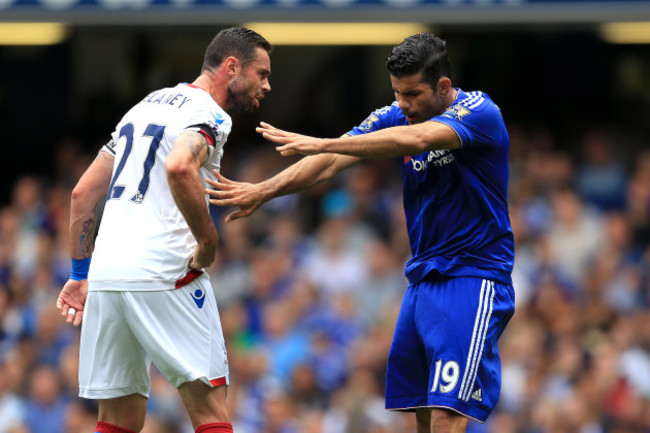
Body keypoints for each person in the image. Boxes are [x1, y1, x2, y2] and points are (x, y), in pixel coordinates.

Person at [206, 33, 515, 433]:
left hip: (472, 277)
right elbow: (333, 160)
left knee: (446, 413)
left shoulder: (479, 112)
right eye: (397, 93)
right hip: (421, 280)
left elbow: (418, 139)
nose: (403, 104)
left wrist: (325, 142)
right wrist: (264, 191)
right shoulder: (400, 115)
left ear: (443, 87)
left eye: (413, 94)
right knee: (422, 410)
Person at [56, 27, 271, 433]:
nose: (267, 85)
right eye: (261, 73)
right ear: (231, 67)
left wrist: (79, 275)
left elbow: (82, 193)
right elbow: (178, 165)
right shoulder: (209, 112)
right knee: (210, 413)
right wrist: (208, 241)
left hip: (106, 277)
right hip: (166, 271)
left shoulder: (142, 108)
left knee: (117, 419)